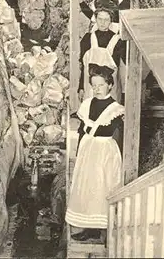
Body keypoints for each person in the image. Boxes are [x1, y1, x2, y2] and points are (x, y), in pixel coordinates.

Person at [66, 64, 124, 241]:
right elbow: (82, 130)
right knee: (86, 187)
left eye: (101, 85)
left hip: (104, 151)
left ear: (110, 85)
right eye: (94, 85)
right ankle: (88, 226)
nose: (97, 89)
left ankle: (105, 229)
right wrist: (78, 151)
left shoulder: (116, 109)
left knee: (102, 187)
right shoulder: (87, 104)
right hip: (87, 149)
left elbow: (119, 134)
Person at [78, 0, 127, 106]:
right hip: (90, 88)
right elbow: (83, 66)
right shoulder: (87, 39)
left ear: (111, 21)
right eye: (100, 19)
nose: (102, 22)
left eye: (106, 19)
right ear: (95, 19)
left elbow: (124, 69)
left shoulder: (118, 40)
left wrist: (124, 93)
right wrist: (81, 87)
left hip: (111, 90)